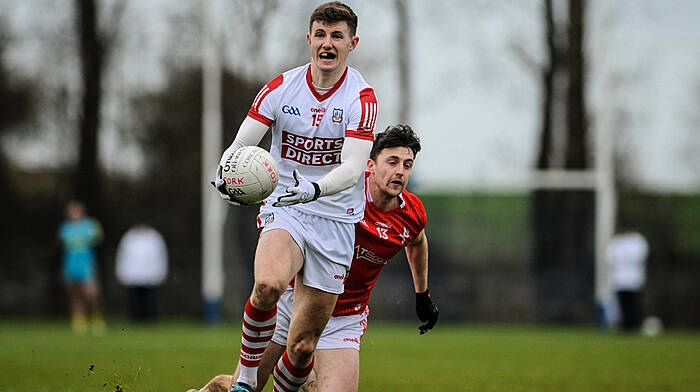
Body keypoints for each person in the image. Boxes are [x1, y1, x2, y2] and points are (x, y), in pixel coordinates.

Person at [193, 125, 439, 392]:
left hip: (345, 316)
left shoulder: (411, 213)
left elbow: (416, 241)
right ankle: (222, 386)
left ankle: (298, 373)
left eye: (407, 164)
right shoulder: (339, 193)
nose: (400, 171)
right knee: (247, 387)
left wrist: (422, 294)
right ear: (369, 165)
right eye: (392, 162)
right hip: (295, 301)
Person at [211, 3, 378, 391]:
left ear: (352, 43)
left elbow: (354, 168)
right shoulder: (280, 87)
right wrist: (225, 174)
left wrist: (315, 188)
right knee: (267, 285)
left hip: (336, 221)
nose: (327, 43)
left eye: (337, 36)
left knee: (302, 347)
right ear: (309, 39)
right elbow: (240, 146)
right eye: (320, 34)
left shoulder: (362, 97)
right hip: (286, 208)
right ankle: (245, 384)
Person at [57, 199, 105, 334]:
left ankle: (96, 319)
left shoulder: (89, 226)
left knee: (92, 293)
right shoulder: (65, 229)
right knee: (74, 294)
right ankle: (79, 321)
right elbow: (63, 244)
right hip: (71, 264)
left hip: (86, 264)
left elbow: (98, 238)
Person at [115, 223, 169, 322]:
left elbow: (161, 256)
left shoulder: (155, 238)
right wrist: (122, 272)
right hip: (133, 275)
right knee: (135, 300)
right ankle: (135, 319)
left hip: (150, 275)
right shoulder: (129, 238)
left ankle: (150, 319)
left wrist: (161, 272)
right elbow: (122, 256)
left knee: (149, 300)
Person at [607, 229, 648, 332]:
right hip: (620, 280)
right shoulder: (616, 242)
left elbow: (640, 256)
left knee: (633, 304)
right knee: (622, 304)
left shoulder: (638, 241)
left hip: (634, 280)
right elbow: (610, 258)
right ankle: (624, 326)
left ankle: (633, 325)